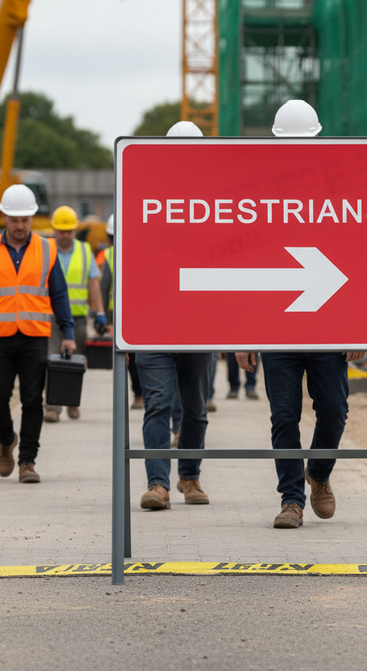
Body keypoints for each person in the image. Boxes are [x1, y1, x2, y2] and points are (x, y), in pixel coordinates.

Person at [236, 100, 365, 529]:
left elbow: (356, 258)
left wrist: (358, 326)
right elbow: (248, 265)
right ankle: (291, 499)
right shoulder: (260, 193)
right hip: (277, 329)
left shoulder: (336, 191)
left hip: (328, 327)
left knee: (333, 410)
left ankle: (319, 475)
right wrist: (243, 336)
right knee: (284, 416)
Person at [0, 184, 76, 484]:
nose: (20, 226)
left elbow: (59, 294)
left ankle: (27, 462)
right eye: (14, 220)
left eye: (25, 220)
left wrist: (69, 333)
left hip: (35, 335)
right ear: (4, 218)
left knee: (33, 399)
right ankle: (7, 440)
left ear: (32, 218)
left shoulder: (47, 250)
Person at [137, 121, 211, 510]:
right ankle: (158, 485)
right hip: (154, 325)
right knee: (158, 404)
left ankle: (190, 478)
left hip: (199, 324)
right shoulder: (145, 194)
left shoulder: (216, 201)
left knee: (196, 408)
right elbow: (133, 263)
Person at [43, 205, 107, 422]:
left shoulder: (84, 250)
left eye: (69, 231)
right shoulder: (45, 250)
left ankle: (71, 401)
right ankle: (52, 407)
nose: (65, 235)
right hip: (50, 316)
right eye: (61, 231)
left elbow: (93, 284)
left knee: (75, 362)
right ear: (54, 230)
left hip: (77, 316)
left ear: (74, 230)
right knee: (51, 359)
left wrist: (99, 311)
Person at [100, 213, 144, 409]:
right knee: (137, 356)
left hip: (118, 315)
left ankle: (138, 394)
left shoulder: (108, 255)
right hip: (136, 313)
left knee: (129, 357)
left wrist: (102, 315)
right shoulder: (140, 250)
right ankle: (141, 394)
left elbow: (104, 286)